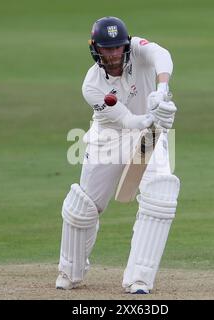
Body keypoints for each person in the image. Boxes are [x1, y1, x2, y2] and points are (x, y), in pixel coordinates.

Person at [56, 16, 179, 294]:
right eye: (106, 49)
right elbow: (128, 121)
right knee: (84, 208)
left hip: (149, 135)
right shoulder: (91, 85)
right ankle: (69, 270)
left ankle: (139, 279)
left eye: (117, 48)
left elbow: (163, 55)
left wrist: (161, 91)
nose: (113, 54)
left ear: (126, 45)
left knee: (161, 195)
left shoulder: (138, 49)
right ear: (95, 49)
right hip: (109, 136)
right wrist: (153, 115)